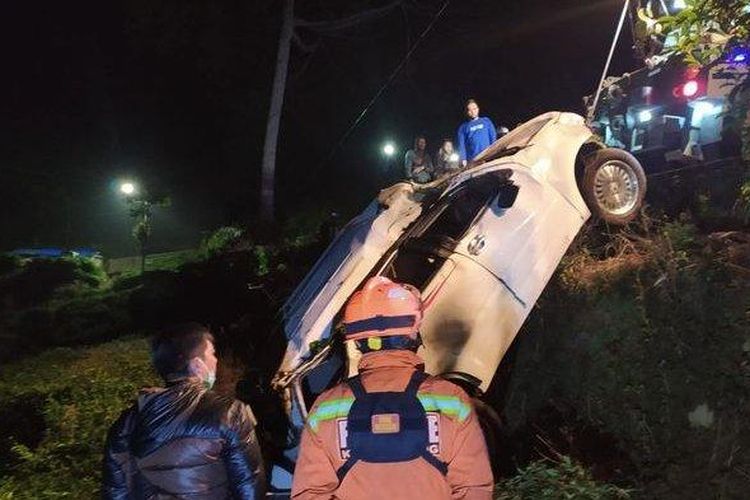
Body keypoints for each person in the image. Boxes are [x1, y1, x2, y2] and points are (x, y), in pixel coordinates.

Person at [291, 277, 493, 500]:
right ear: (412, 335)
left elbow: (310, 494)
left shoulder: (326, 409)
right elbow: (473, 488)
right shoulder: (451, 401)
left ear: (358, 342)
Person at [103, 323, 266, 499]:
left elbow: (116, 493)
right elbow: (249, 488)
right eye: (212, 353)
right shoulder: (229, 412)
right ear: (197, 365)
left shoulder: (125, 424)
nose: (216, 360)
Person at [456, 99, 498, 166]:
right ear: (467, 112)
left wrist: (494, 151)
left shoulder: (486, 121)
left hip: (488, 156)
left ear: (478, 109)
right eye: (470, 110)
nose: (473, 112)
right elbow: (461, 145)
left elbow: (493, 137)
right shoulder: (463, 127)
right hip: (473, 159)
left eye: (474, 109)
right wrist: (463, 159)